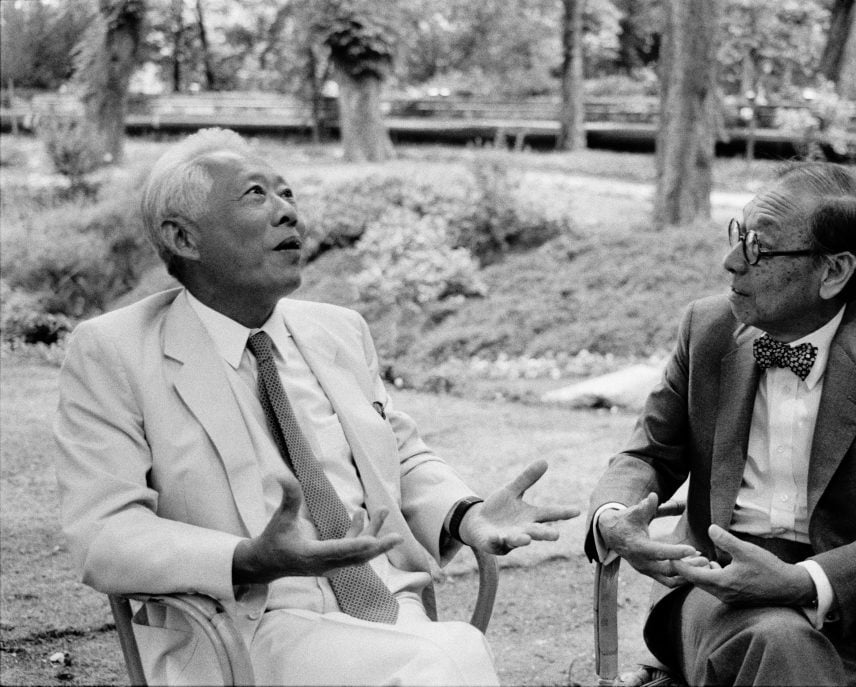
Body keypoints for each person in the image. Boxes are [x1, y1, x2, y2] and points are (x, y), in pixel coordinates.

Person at [54, 127, 579, 686]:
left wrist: (463, 513)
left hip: (388, 607)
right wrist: (249, 557)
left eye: (288, 194)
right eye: (256, 195)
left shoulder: (338, 330)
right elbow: (103, 535)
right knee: (447, 658)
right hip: (243, 630)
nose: (287, 213)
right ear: (183, 238)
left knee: (450, 651)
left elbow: (401, 457)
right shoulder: (114, 351)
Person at [585, 161, 856, 686]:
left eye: (759, 247)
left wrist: (802, 581)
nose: (730, 261)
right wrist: (612, 517)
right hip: (714, 593)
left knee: (790, 654)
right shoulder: (707, 329)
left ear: (833, 272)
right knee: (776, 641)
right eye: (739, 236)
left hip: (850, 611)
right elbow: (648, 455)